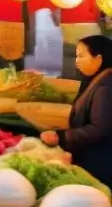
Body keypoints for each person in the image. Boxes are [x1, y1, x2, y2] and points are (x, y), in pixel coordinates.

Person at [41, 35, 112, 187]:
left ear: (98, 59)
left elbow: (98, 129)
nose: (76, 61)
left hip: (100, 165)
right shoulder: (98, 79)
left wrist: (61, 137)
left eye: (81, 56)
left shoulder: (105, 87)